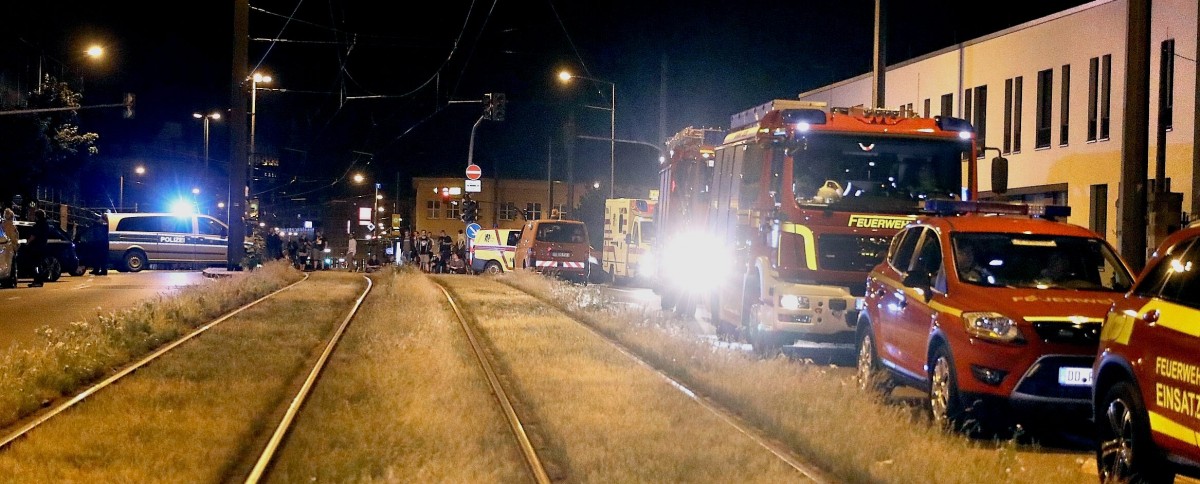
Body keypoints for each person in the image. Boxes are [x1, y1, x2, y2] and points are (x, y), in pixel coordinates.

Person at [26, 209, 50, 287]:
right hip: (43, 247)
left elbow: (34, 235)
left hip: (37, 247)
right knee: (40, 264)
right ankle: (39, 281)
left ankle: (37, 281)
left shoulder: (38, 225)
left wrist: (28, 242)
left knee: (36, 265)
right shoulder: (46, 224)